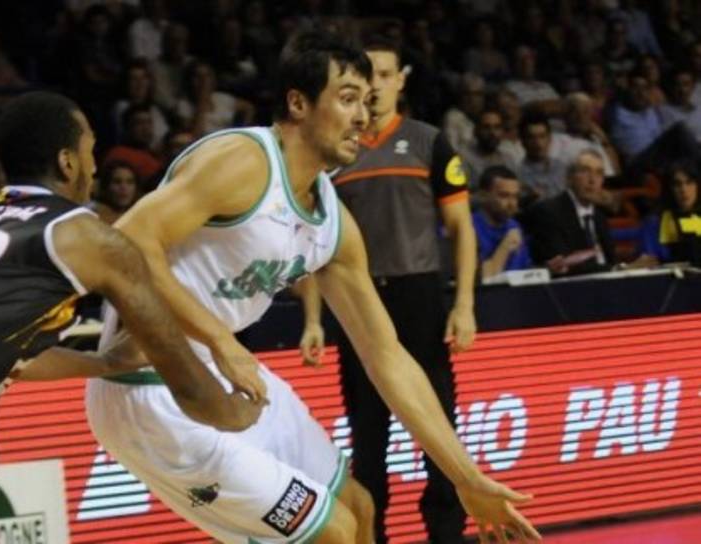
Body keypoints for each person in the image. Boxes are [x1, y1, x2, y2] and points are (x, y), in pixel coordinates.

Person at [85, 32, 540, 544]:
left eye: (366, 101)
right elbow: (123, 244)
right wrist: (220, 339)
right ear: (299, 104)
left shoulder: (333, 225)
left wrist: (465, 476)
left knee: (359, 508)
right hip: (152, 386)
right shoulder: (244, 161)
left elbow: (387, 356)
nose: (362, 116)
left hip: (229, 377)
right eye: (347, 99)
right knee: (332, 533)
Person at [0, 91, 261, 544]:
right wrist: (236, 413)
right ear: (67, 162)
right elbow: (191, 388)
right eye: (91, 151)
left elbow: (9, 359)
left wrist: (105, 363)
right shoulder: (89, 238)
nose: (95, 167)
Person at [330, 37, 477, 544]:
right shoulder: (337, 151)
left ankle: (446, 535)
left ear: (401, 80)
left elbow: (460, 228)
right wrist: (311, 318)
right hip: (356, 302)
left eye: (384, 74)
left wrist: (464, 303)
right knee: (367, 440)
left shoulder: (428, 141)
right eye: (365, 75)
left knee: (437, 429)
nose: (374, 85)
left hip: (419, 299)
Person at [524, 149, 616, 276]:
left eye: (599, 173)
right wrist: (616, 269)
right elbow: (565, 266)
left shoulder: (599, 216)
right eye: (585, 171)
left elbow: (611, 260)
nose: (592, 180)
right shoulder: (548, 212)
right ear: (569, 177)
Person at [473, 166, 533, 279]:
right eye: (504, 196)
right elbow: (483, 278)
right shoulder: (469, 228)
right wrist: (505, 247)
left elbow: (526, 273)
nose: (512, 204)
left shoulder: (514, 226)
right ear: (482, 196)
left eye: (515, 197)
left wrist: (549, 268)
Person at [638, 162, 701, 265]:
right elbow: (649, 261)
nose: (683, 190)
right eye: (677, 184)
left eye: (689, 182)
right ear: (669, 188)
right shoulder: (654, 222)